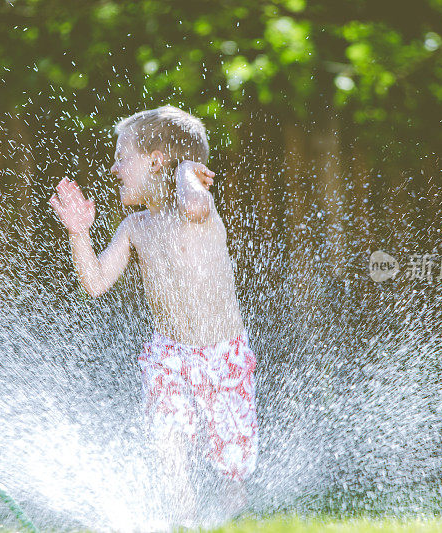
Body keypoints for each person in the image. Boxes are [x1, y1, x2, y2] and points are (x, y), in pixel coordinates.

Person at [48, 105, 258, 525]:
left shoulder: (196, 205)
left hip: (223, 355)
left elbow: (195, 203)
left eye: (122, 157)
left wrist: (185, 173)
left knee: (229, 462)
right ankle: (182, 522)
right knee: (169, 449)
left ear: (157, 158)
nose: (113, 168)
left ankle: (234, 520)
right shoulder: (134, 227)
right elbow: (95, 281)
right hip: (170, 356)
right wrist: (79, 233)